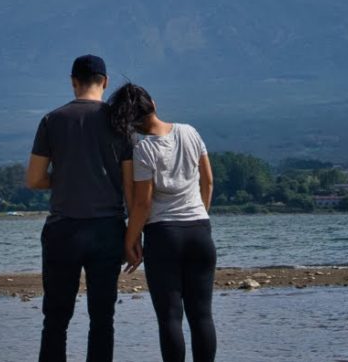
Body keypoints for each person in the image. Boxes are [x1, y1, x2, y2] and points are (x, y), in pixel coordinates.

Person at [26, 54, 133, 362]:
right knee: (102, 318)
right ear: (105, 82)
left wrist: (63, 178)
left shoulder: (52, 120)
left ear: (73, 82)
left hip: (63, 230)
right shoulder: (119, 122)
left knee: (56, 319)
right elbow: (130, 187)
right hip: (107, 229)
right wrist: (132, 236)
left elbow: (33, 179)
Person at [108, 82, 216, 362]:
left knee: (170, 317)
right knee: (202, 314)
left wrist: (130, 240)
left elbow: (143, 204)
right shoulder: (189, 131)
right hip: (200, 231)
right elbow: (208, 181)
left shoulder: (144, 150)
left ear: (129, 123)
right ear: (153, 104)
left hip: (164, 235)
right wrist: (199, 214)